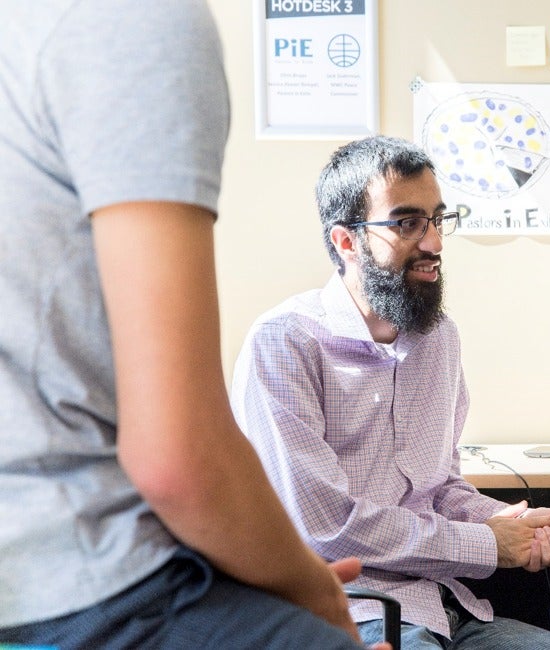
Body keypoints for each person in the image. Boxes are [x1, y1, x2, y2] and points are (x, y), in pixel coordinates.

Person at [0, 2, 380, 648]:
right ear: (343, 240)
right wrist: (318, 596)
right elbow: (179, 460)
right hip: (78, 581)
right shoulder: (133, 22)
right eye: (402, 222)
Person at [230, 135, 550, 649]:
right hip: (345, 613)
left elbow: (438, 487)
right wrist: (489, 544)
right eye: (407, 224)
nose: (434, 244)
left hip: (447, 605)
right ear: (346, 242)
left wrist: (509, 522)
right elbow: (324, 528)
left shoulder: (438, 337)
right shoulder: (285, 342)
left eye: (437, 220)